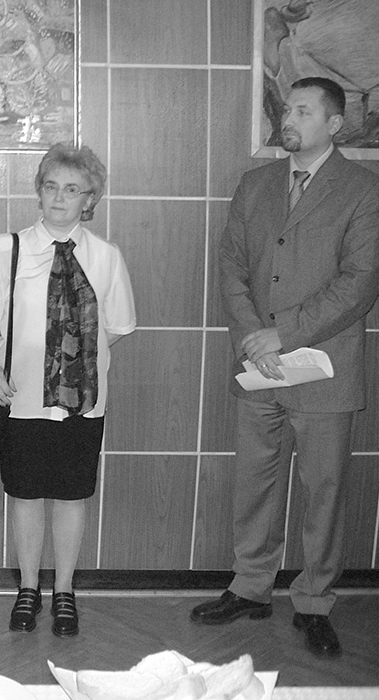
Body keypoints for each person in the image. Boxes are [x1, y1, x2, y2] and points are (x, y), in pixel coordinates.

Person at [191, 77, 379, 658]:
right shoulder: (256, 185)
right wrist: (256, 338)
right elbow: (231, 266)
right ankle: (250, 587)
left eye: (302, 111)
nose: (288, 119)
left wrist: (284, 333)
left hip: (324, 369)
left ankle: (314, 602)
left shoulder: (364, 191)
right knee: (255, 484)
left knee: (324, 492)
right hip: (259, 368)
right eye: (286, 109)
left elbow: (360, 283)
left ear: (335, 123)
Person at [0, 144, 135, 638]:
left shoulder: (105, 256)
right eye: (51, 186)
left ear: (90, 199)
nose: (60, 197)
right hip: (20, 400)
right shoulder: (6, 248)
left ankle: (64, 590)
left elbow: (116, 327)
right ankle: (27, 588)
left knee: (72, 497)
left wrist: (72, 364)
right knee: (25, 495)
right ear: (39, 192)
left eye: (72, 189)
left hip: (82, 404)